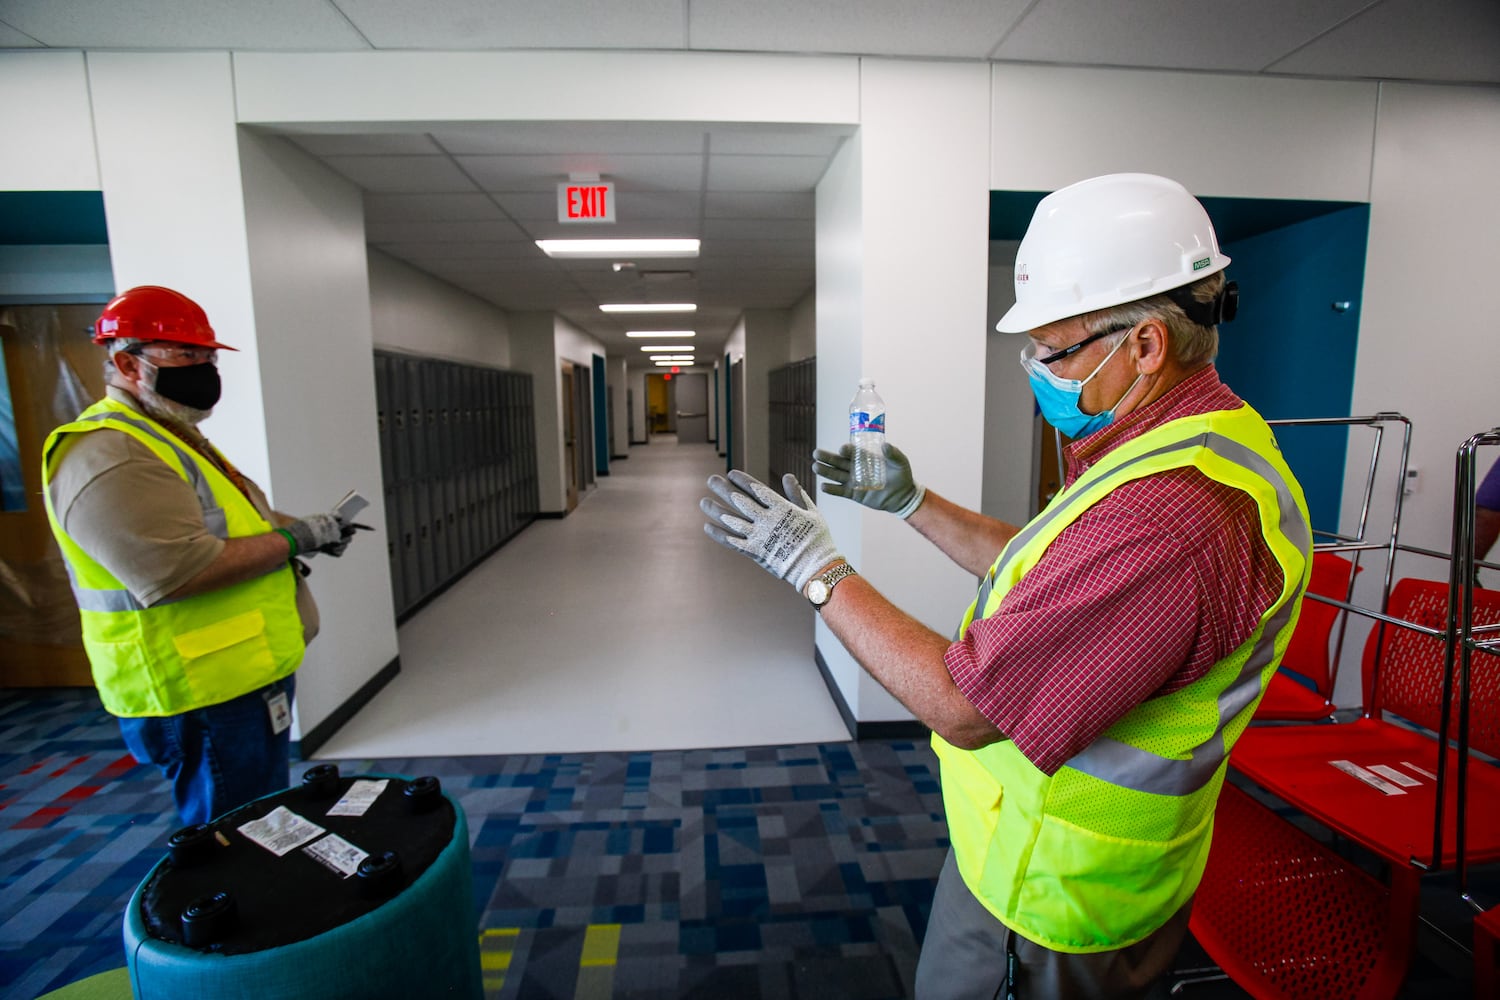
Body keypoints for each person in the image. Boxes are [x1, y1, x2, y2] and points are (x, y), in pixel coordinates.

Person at [700, 174, 1313, 999]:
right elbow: (1047, 574)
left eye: (1056, 352)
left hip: (1056, 898)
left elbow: (965, 703)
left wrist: (817, 570)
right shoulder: (1184, 441)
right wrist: (912, 503)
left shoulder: (1170, 518)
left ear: (1144, 346)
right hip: (1040, 850)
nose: (1040, 372)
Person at [42, 285, 363, 826]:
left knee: (257, 818)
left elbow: (234, 522)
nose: (204, 368)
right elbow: (176, 571)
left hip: (239, 673)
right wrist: (295, 540)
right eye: (186, 355)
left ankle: (260, 899)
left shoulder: (171, 434)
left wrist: (311, 528)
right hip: (198, 689)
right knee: (229, 834)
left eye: (208, 356)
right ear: (127, 361)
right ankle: (233, 908)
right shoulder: (109, 451)